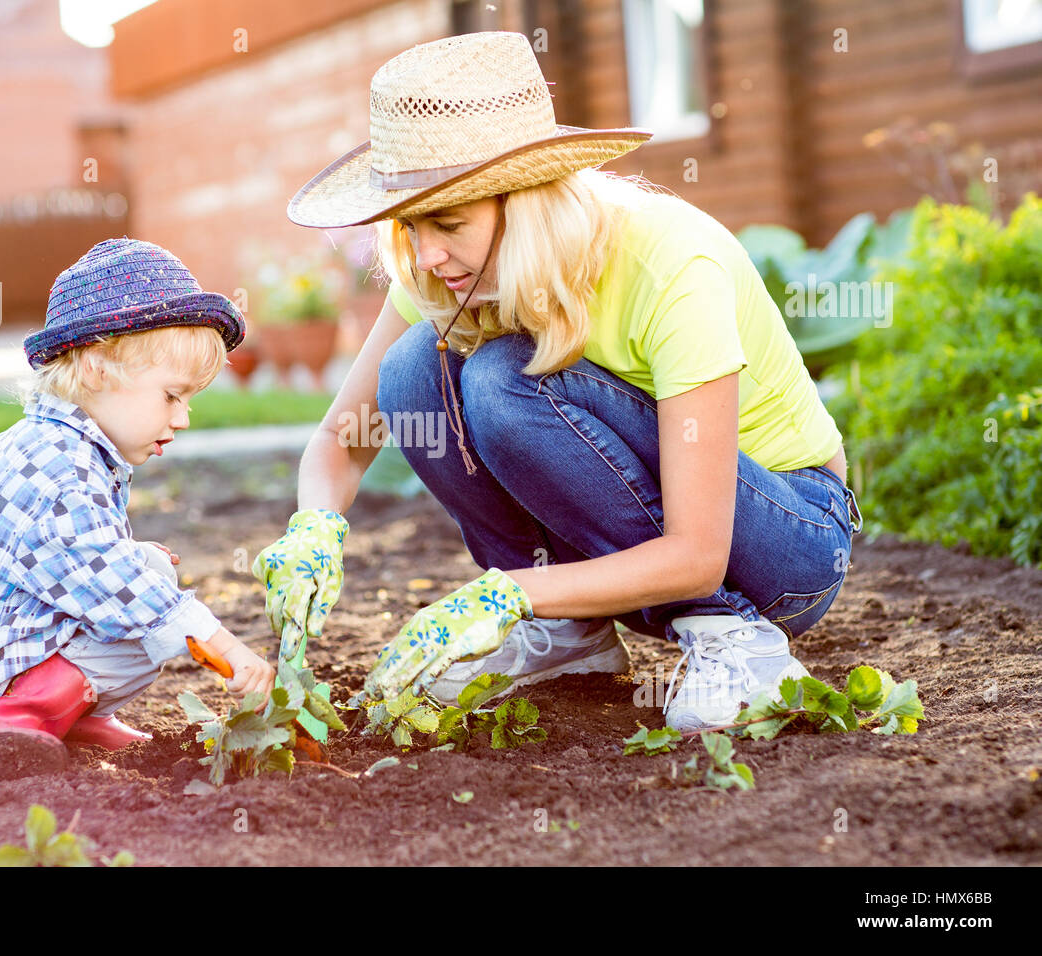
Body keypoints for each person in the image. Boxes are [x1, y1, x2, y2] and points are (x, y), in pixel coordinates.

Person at [252, 31, 863, 732]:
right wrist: (314, 526)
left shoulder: (669, 262)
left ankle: (736, 642)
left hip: (784, 545)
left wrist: (505, 594)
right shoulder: (442, 270)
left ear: (527, 202)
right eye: (411, 225)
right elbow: (341, 436)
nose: (426, 253)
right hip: (638, 558)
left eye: (449, 222)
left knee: (501, 380)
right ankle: (572, 636)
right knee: (414, 367)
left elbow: (699, 554)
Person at [0, 238, 274, 771]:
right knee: (142, 620)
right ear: (98, 369)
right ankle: (13, 719)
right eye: (172, 396)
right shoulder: (59, 470)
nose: (183, 419)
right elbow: (120, 593)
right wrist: (225, 645)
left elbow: (73, 562)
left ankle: (68, 718)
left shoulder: (51, 444)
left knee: (147, 569)